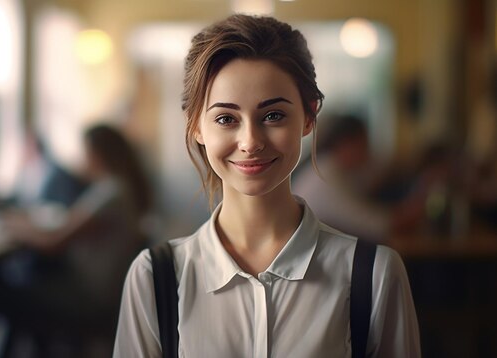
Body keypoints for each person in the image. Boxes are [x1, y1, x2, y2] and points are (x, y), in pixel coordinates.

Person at [113, 14, 420, 357]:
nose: (250, 142)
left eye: (273, 115)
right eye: (226, 119)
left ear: (308, 116)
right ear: (196, 127)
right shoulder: (155, 278)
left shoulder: (375, 275)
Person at [0, 123, 153, 355]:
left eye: (85, 151)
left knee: (12, 292)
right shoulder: (116, 190)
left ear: (97, 154)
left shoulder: (111, 194)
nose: (82, 158)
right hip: (94, 290)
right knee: (29, 280)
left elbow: (55, 242)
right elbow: (67, 227)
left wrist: (13, 230)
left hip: (88, 296)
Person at [292, 114, 430, 242]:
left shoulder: (327, 167)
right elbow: (381, 225)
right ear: (347, 144)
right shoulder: (325, 176)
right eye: (364, 143)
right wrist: (423, 199)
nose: (368, 151)